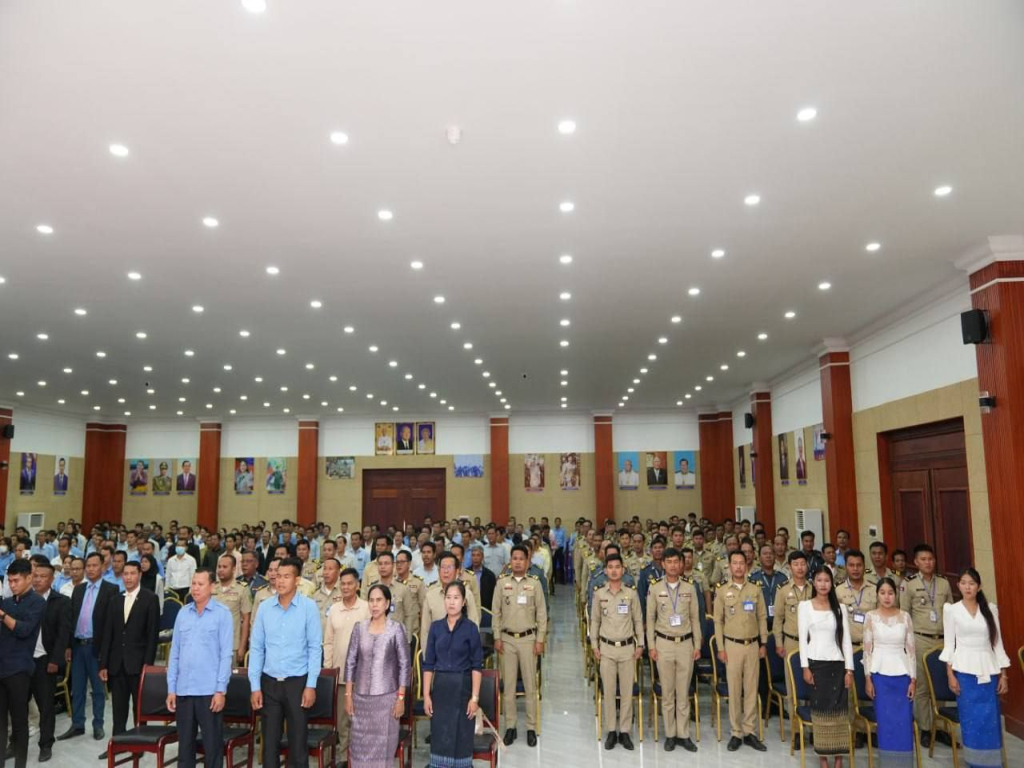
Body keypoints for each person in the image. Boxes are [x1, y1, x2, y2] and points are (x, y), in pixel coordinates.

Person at [248, 558, 323, 768]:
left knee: (298, 744)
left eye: (286, 576)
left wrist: (311, 685)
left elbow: (314, 649)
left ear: (297, 580)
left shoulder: (309, 607)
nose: (280, 581)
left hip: (297, 683)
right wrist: (255, 686)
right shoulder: (265, 608)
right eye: (278, 576)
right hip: (269, 683)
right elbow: (257, 649)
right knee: (269, 744)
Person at [940, 568, 1010, 768]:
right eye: (963, 583)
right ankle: (974, 764)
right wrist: (950, 674)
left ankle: (992, 764)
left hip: (989, 671)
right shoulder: (951, 610)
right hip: (965, 673)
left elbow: (997, 643)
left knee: (990, 720)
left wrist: (1004, 675)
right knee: (971, 722)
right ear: (958, 585)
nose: (967, 587)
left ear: (978, 587)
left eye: (971, 583)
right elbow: (949, 645)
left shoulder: (990, 609)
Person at [166, 568, 233, 768]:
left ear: (212, 587)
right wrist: (171, 689)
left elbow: (226, 656)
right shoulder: (183, 613)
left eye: (200, 584)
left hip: (209, 692)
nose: (195, 588)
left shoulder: (222, 614)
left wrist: (220, 690)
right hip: (184, 691)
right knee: (185, 749)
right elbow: (174, 653)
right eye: (193, 583)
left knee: (212, 748)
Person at [343, 585, 411, 768]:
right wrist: (348, 696)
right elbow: (350, 662)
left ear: (387, 603)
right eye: (371, 600)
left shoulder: (396, 629)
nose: (374, 604)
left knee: (383, 749)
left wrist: (401, 698)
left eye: (379, 600)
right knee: (359, 749)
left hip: (387, 700)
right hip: (360, 699)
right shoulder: (359, 628)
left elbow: (405, 666)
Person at [98, 560, 160, 751]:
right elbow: (107, 633)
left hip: (139, 663)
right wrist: (103, 664)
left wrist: (148, 667)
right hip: (117, 663)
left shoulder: (150, 598)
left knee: (139, 708)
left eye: (132, 573)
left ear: (140, 575)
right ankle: (117, 744)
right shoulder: (115, 600)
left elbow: (152, 636)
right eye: (125, 574)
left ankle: (139, 745)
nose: (128, 577)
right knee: (118, 708)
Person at [646, 547, 701, 752]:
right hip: (664, 644)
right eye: (668, 562)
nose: (672, 565)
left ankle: (683, 734)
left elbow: (695, 618)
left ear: (681, 564)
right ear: (663, 564)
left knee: (683, 692)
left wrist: (697, 644)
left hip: (685, 644)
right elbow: (650, 619)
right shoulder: (654, 588)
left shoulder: (690, 588)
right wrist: (651, 646)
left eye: (676, 562)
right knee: (668, 694)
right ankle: (670, 734)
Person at [422, 581, 483, 768]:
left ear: (463, 602)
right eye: (448, 597)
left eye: (456, 598)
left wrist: (474, 698)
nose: (451, 602)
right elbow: (428, 664)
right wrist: (426, 695)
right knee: (440, 735)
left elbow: (477, 666)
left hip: (462, 689)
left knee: (461, 735)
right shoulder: (436, 627)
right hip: (440, 689)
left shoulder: (471, 628)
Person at [492, 545, 547, 747]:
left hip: (528, 640)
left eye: (521, 558)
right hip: (507, 640)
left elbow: (542, 614)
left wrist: (540, 640)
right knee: (509, 687)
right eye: (514, 558)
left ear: (527, 561)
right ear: (510, 561)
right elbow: (495, 612)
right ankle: (511, 726)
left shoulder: (535, 583)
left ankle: (531, 727)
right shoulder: (501, 583)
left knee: (530, 687)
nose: (517, 562)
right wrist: (497, 636)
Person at [798, 567, 854, 767]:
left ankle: (839, 759)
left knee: (839, 714)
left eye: (827, 580)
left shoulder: (840, 608)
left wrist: (849, 670)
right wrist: (805, 667)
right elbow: (803, 640)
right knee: (821, 714)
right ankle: (823, 759)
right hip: (816, 665)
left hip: (837, 665)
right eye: (819, 580)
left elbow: (846, 641)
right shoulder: (805, 606)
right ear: (814, 583)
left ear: (832, 583)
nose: (823, 584)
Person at [60, 552, 118, 742]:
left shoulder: (111, 589)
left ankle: (98, 725)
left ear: (103, 567)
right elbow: (71, 619)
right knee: (77, 688)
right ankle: (77, 724)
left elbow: (111, 624)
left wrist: (107, 652)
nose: (91, 569)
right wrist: (68, 645)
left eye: (95, 565)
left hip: (96, 647)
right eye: (89, 566)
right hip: (78, 646)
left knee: (98, 690)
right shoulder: (79, 590)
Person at [899, 544, 953, 748]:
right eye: (923, 559)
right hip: (920, 639)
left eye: (930, 559)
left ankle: (940, 727)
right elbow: (904, 615)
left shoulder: (944, 583)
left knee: (941, 684)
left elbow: (951, 613)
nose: (928, 563)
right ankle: (925, 728)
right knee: (922, 686)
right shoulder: (909, 584)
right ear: (916, 562)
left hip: (943, 639)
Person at [713, 551, 767, 752]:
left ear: (747, 565)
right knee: (735, 690)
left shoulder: (755, 589)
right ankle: (736, 732)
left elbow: (762, 617)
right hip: (732, 645)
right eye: (734, 563)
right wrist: (720, 648)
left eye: (741, 563)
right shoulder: (722, 590)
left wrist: (763, 643)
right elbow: (718, 621)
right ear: (729, 566)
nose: (738, 566)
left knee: (751, 689)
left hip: (752, 645)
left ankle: (749, 731)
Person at [590, 553, 643, 751]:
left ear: (623, 570)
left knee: (627, 692)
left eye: (617, 567)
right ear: (605, 570)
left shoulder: (631, 594)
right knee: (609, 691)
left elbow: (638, 620)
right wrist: (594, 645)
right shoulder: (599, 594)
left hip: (628, 649)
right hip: (606, 649)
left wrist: (641, 644)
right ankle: (611, 731)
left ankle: (625, 731)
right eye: (610, 567)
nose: (614, 570)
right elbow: (595, 620)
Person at [862, 577, 916, 768]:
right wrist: (868, 678)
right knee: (886, 723)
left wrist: (913, 679)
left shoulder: (905, 616)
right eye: (883, 593)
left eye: (890, 593)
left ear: (896, 594)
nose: (887, 597)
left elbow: (911, 650)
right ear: (877, 595)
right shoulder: (870, 617)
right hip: (879, 675)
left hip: (902, 676)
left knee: (903, 722)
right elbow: (867, 651)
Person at [0, 559, 46, 768]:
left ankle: (20, 765)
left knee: (19, 722)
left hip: (20, 669)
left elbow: (24, 630)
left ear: (29, 578)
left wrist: (2, 616)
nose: (12, 585)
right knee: (1, 723)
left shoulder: (37, 602)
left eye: (16, 580)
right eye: (9, 581)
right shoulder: (7, 602)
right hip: (2, 666)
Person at [323, 567, 369, 761]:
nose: (346, 587)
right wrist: (328, 669)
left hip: (363, 677)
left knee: (362, 720)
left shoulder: (367, 608)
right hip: (340, 675)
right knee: (342, 722)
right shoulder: (334, 609)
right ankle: (343, 759)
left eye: (350, 583)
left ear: (357, 585)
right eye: (342, 584)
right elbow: (328, 641)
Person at [28, 560, 72, 762]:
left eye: (43, 576)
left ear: (52, 579)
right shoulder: (24, 599)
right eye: (35, 576)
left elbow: (63, 635)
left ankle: (45, 745)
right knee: (17, 705)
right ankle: (14, 742)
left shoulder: (61, 602)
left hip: (46, 660)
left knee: (46, 707)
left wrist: (55, 660)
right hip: (23, 660)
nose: (38, 580)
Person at [212, 554, 253, 665]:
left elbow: (246, 620)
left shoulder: (242, 589)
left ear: (234, 569)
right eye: (219, 567)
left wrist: (242, 646)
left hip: (232, 644)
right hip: (211, 643)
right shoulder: (212, 588)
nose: (221, 570)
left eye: (225, 567)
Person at [836, 549, 876, 646]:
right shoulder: (838, 590)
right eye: (851, 565)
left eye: (859, 565)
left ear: (864, 567)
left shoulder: (875, 589)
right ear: (846, 567)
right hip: (849, 646)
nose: (855, 569)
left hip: (872, 645)